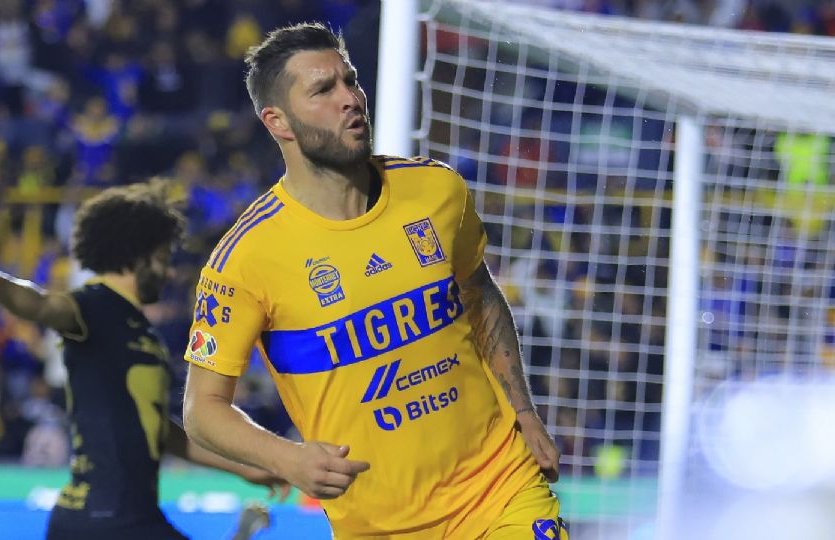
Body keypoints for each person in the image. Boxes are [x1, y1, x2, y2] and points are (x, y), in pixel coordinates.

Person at [182, 22, 568, 539]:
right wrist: (287, 458)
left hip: (500, 488)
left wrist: (523, 409)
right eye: (324, 90)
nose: (351, 99)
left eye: (351, 81)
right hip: (378, 525)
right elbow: (201, 409)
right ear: (278, 122)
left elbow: (479, 293)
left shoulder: (436, 188)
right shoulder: (245, 259)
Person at [0, 182, 287, 540]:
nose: (167, 272)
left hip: (116, 518)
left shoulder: (137, 328)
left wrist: (243, 467)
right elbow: (42, 305)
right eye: (162, 259)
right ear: (136, 255)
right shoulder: (93, 304)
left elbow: (156, 430)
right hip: (105, 519)